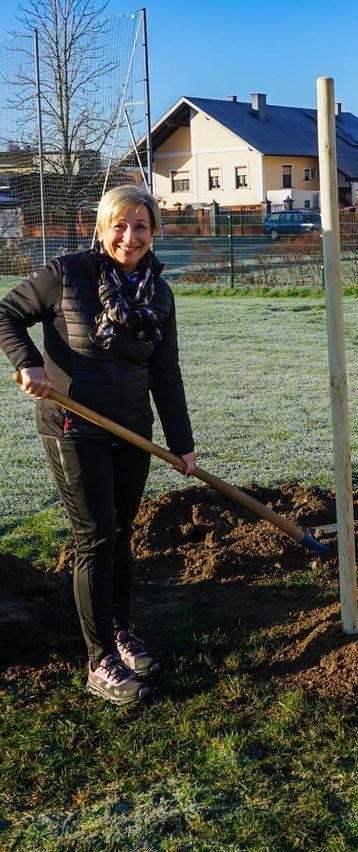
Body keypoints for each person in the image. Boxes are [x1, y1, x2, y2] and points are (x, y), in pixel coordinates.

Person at [0, 185, 196, 706]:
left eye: (141, 227)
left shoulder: (159, 295)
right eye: (120, 225)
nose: (130, 237)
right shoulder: (67, 275)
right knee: (95, 537)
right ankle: (99, 659)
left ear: (154, 233)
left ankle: (122, 632)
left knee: (123, 532)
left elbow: (166, 372)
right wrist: (28, 363)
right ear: (103, 228)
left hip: (133, 430)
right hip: (74, 425)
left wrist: (182, 444)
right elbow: (6, 313)